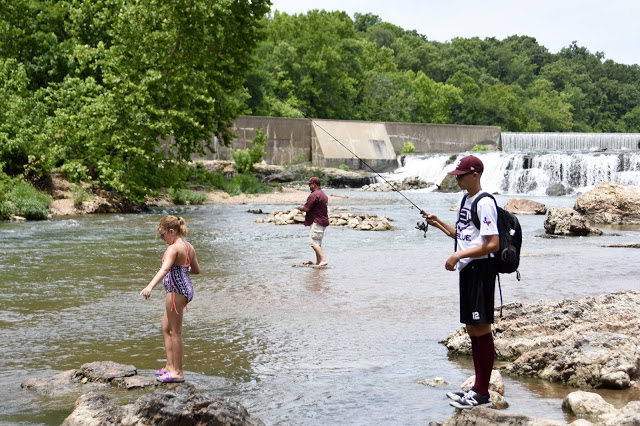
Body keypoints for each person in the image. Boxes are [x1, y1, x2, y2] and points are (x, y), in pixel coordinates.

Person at [421, 155, 499, 409]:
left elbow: (492, 244)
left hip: (481, 270)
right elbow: (464, 236)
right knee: (471, 329)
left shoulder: (485, 203)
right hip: (468, 269)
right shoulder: (465, 199)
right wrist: (438, 223)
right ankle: (476, 389)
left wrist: (457, 256)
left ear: (475, 175)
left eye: (462, 175)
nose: (458, 179)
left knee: (482, 329)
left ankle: (482, 392)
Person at [140, 215, 200, 383]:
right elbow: (195, 270)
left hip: (175, 291)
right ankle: (169, 366)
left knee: (175, 332)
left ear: (171, 231)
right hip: (185, 289)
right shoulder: (189, 246)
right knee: (166, 328)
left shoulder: (173, 248)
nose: (162, 239)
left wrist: (149, 286)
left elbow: (165, 269)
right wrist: (181, 270)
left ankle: (177, 373)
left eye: (162, 235)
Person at [298, 176, 329, 266]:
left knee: (313, 242)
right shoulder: (323, 194)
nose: (309, 186)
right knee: (318, 242)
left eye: (310, 184)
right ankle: (318, 262)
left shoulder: (314, 195)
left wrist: (301, 208)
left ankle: (323, 260)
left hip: (317, 221)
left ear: (314, 184)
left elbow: (307, 208)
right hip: (323, 221)